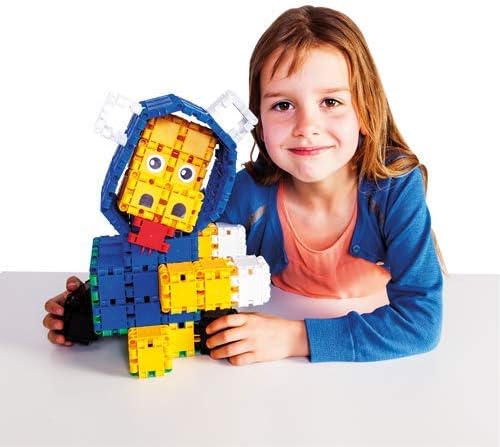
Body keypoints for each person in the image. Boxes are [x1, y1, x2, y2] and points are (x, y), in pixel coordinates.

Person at [43, 6, 443, 365]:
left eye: (331, 102)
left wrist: (295, 337)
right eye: (283, 105)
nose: (307, 126)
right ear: (259, 122)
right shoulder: (244, 193)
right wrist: (99, 300)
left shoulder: (395, 187)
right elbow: (172, 257)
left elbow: (421, 323)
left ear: (366, 112)